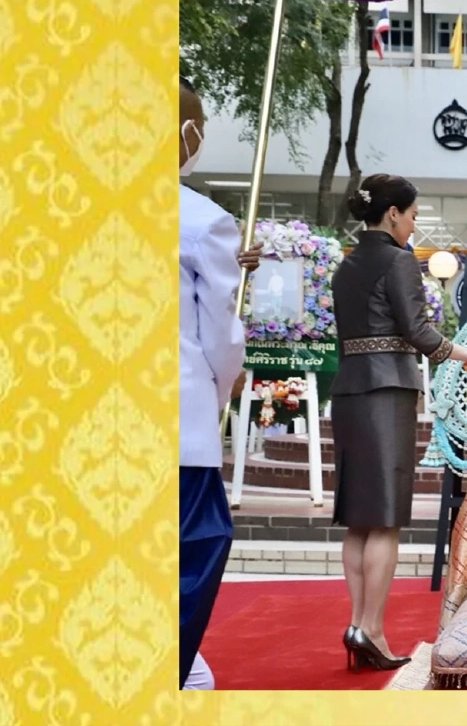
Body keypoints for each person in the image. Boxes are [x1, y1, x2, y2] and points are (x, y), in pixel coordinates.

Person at [329, 174, 467, 672]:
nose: (415, 227)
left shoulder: (347, 264)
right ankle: (371, 630)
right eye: (415, 216)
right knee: (385, 517)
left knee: (359, 518)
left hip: (350, 390)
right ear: (394, 213)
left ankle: (359, 623)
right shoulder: (399, 261)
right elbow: (418, 331)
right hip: (387, 393)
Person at [179, 76, 246, 689]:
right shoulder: (203, 221)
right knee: (195, 544)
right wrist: (223, 387)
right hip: (177, 418)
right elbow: (221, 336)